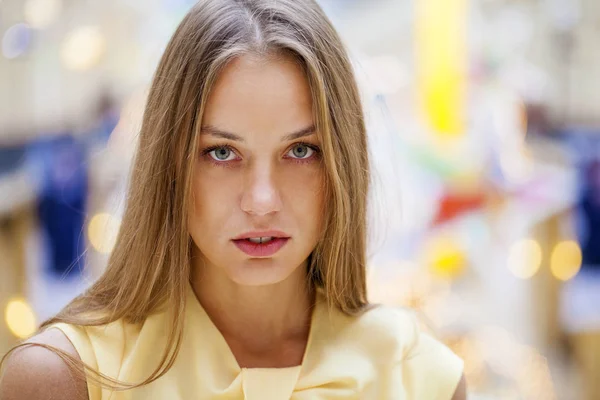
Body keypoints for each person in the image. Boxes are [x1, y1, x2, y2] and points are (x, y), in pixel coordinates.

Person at [0, 0, 466, 399]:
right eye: (221, 153)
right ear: (170, 165)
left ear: (342, 163)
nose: (262, 201)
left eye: (300, 150)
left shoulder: (421, 377)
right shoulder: (63, 378)